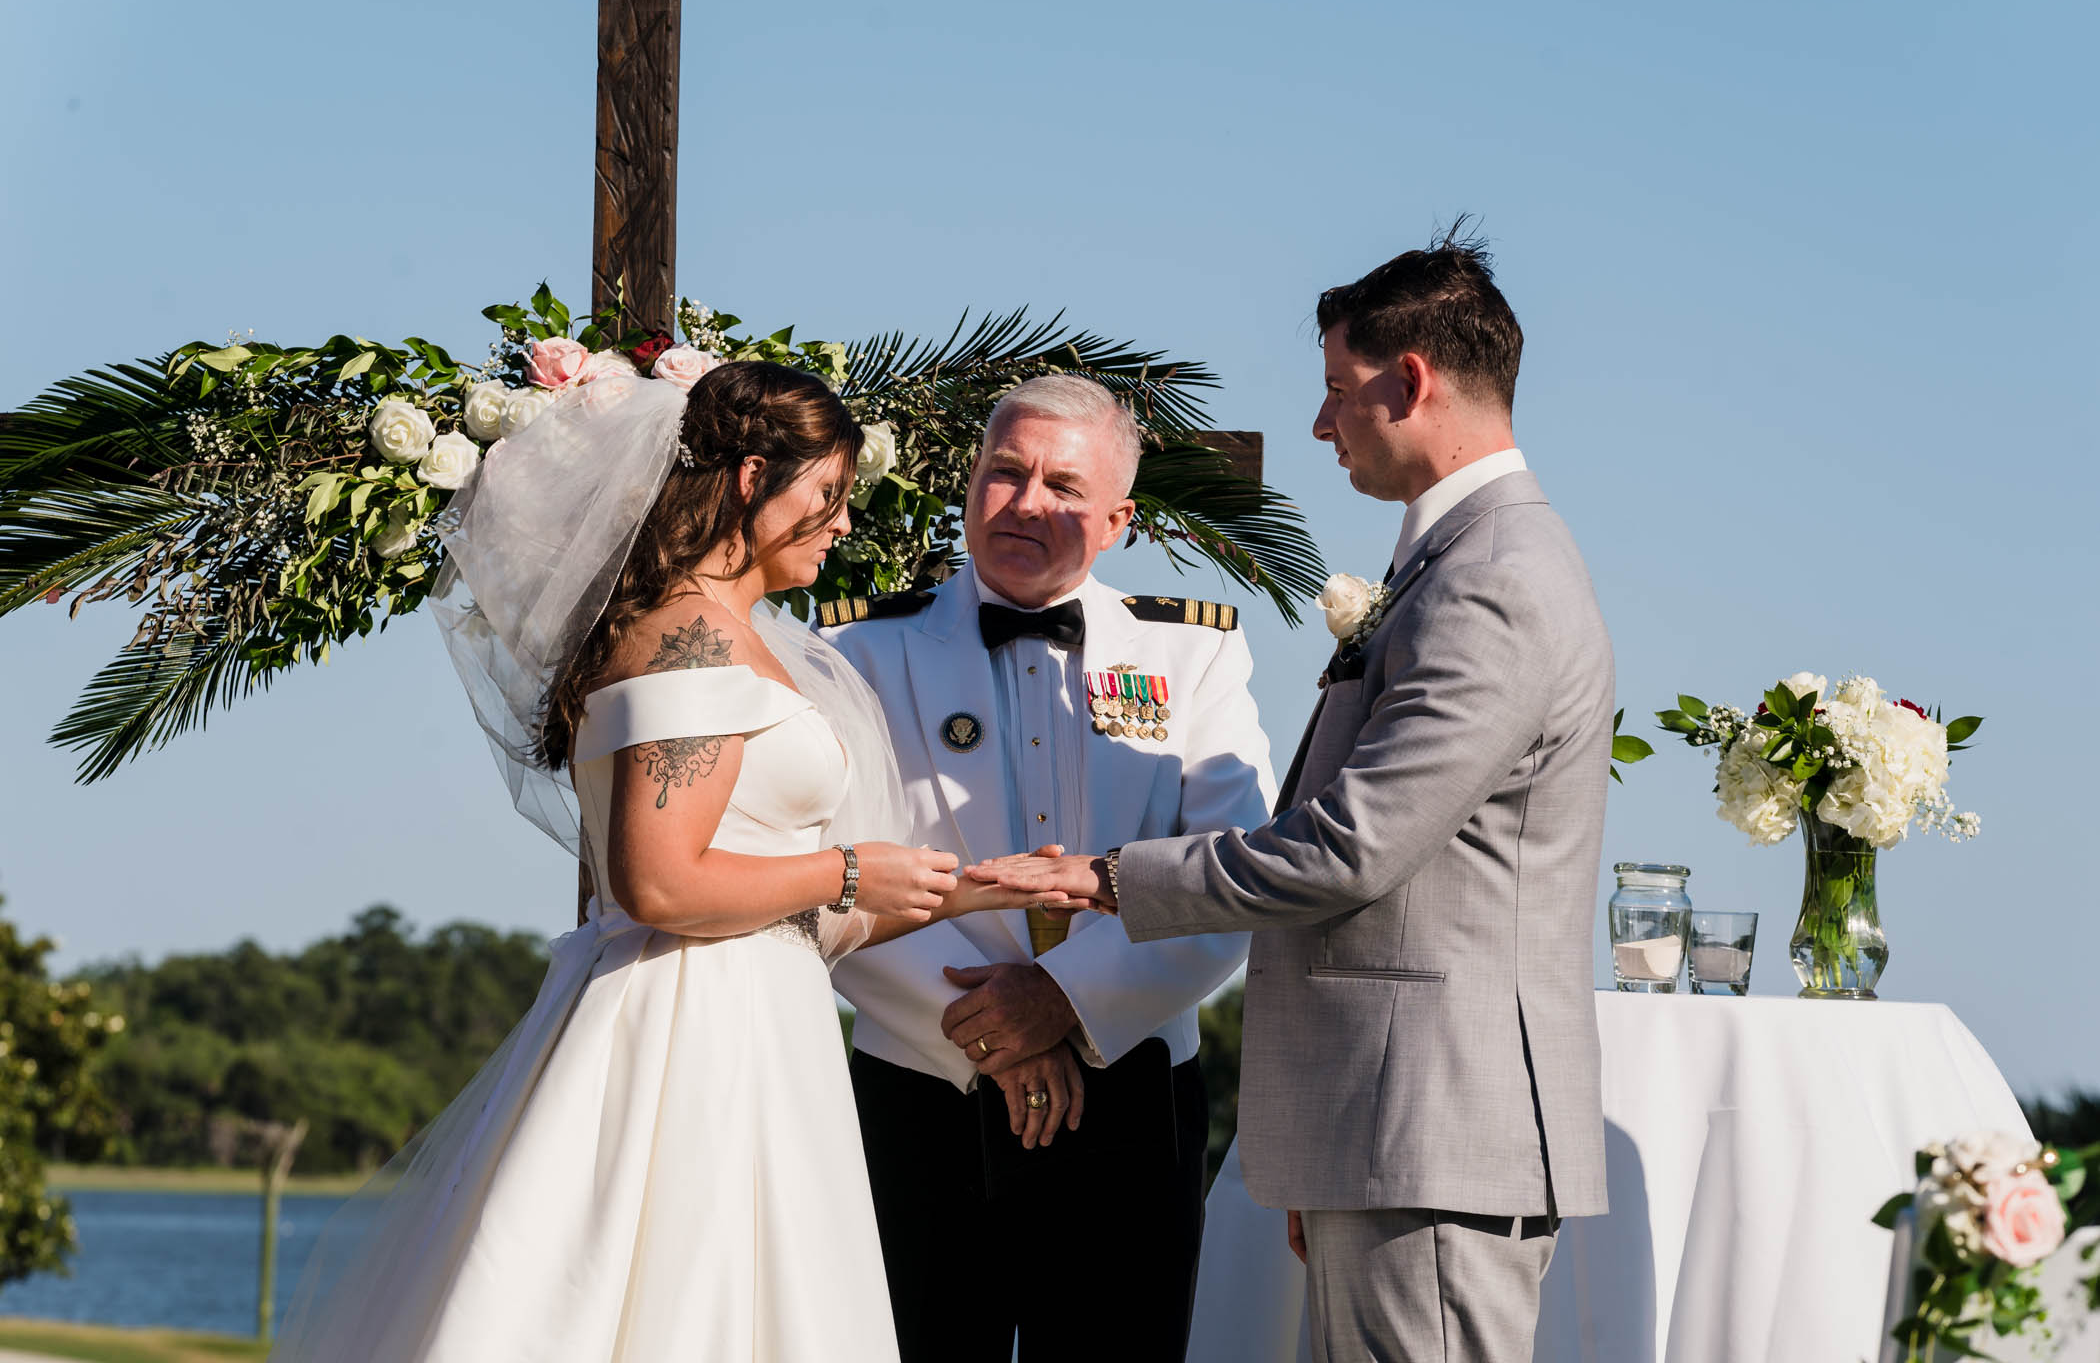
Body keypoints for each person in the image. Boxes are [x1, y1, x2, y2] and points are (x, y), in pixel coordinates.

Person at [271, 362, 1043, 1362]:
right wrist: (847, 870)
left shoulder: (746, 637)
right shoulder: (686, 639)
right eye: (827, 496)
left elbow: (783, 903)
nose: (843, 523)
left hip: (763, 1016)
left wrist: (971, 886)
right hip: (686, 1029)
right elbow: (658, 881)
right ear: (753, 477)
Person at [971, 235, 1614, 1363]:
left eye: (1335, 391)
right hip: (1386, 1129)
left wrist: (1106, 876)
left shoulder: (1494, 576)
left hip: (1434, 1126)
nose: (1322, 426)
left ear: (1409, 380)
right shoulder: (1455, 561)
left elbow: (1352, 846)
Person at [819, 374, 1276, 1361]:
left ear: (1117, 518)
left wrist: (1064, 1000)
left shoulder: (1193, 655)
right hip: (920, 1089)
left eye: (1063, 486)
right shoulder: (856, 648)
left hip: (1131, 1090)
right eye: (1005, 472)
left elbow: (1228, 876)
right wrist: (996, 1032)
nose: (1027, 502)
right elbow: (832, 876)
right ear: (971, 482)